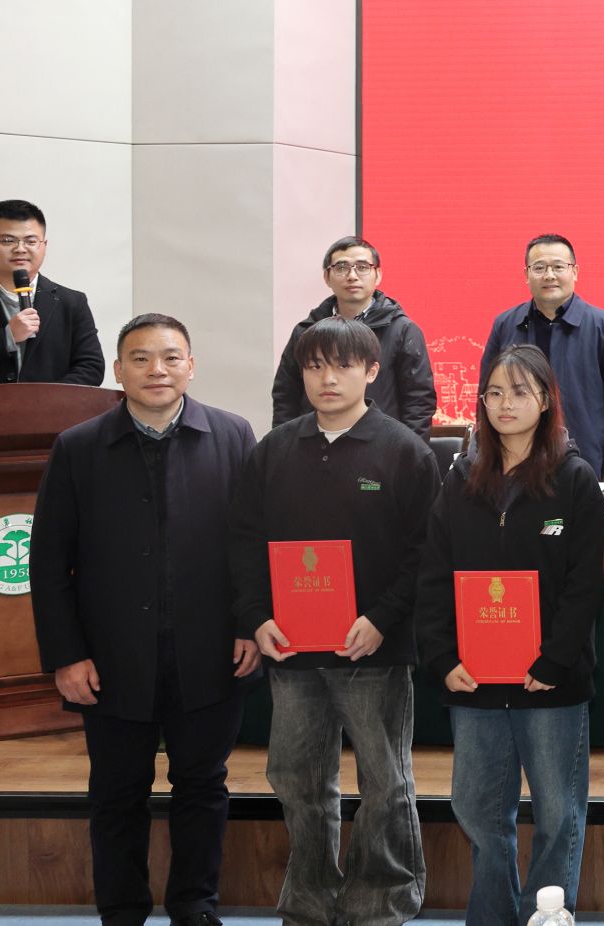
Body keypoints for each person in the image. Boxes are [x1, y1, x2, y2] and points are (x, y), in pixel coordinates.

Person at [28, 314, 259, 926]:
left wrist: (250, 625)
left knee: (203, 787)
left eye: (171, 357)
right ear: (118, 370)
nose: (157, 370)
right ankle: (122, 911)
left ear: (191, 365)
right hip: (109, 658)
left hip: (212, 651)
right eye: (140, 358)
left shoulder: (233, 436)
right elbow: (47, 563)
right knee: (116, 792)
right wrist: (66, 654)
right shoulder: (78, 447)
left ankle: (194, 905)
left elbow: (254, 546)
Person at [228, 317, 440, 926]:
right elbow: (243, 540)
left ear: (371, 371)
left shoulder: (405, 451)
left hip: (372, 650)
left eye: (343, 365)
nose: (327, 378)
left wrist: (382, 618)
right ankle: (311, 901)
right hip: (291, 651)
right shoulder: (274, 450)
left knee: (385, 782)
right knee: (296, 778)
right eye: (315, 365)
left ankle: (380, 903)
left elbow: (426, 553)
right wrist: (256, 616)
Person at [417, 345, 604, 926]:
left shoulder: (574, 479)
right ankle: (492, 917)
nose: (504, 404)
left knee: (558, 813)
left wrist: (554, 660)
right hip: (474, 681)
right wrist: (442, 656)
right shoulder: (460, 479)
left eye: (519, 392)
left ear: (545, 400)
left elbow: (585, 584)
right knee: (478, 811)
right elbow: (434, 574)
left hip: (550, 681)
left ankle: (546, 917)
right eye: (494, 393)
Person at [478, 233, 604, 477]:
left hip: (585, 464)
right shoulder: (506, 325)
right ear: (526, 274)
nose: (549, 275)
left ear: (574, 272)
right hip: (516, 464)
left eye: (558, 267)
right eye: (539, 267)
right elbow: (487, 395)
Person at [271, 236, 437, 434]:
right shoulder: (306, 331)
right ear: (327, 277)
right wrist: (286, 444)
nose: (352, 276)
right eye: (341, 267)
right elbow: (286, 396)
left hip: (381, 444)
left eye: (362, 267)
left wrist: (405, 449)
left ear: (377, 275)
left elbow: (419, 402)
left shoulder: (402, 330)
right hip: (316, 443)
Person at [0, 197, 103, 385]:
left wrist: (47, 398)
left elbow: (91, 367)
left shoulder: (71, 302)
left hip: (53, 404)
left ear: (44, 246)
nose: (20, 249)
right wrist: (6, 337)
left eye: (31, 241)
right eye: (8, 240)